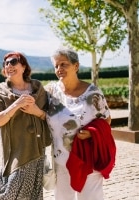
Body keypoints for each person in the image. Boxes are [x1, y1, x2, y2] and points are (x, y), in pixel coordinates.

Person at [45, 47, 114, 200]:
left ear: (76, 66)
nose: (59, 69)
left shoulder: (93, 93)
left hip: (87, 159)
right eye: (56, 66)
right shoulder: (51, 91)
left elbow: (106, 120)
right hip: (61, 160)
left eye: (63, 64)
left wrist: (91, 132)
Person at [0, 51, 51, 200]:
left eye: (13, 61)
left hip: (36, 148)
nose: (8, 65)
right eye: (6, 63)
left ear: (23, 66)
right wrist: (15, 105)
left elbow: (50, 117)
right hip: (15, 151)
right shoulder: (1, 91)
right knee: (12, 193)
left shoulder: (38, 88)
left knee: (33, 196)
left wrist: (36, 111)